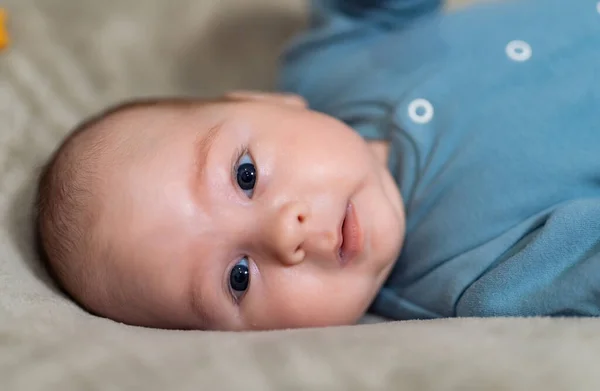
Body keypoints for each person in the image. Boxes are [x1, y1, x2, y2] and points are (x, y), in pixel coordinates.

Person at [35, 0, 600, 331]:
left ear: (264, 101)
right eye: (239, 278)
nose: (286, 232)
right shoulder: (479, 285)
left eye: (245, 176)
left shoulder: (326, 67)